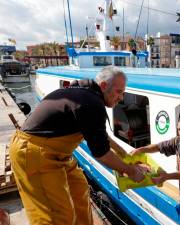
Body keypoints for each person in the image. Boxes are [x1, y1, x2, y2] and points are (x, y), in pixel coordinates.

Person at [9, 66, 149, 225]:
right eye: (118, 92)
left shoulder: (86, 95)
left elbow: (100, 135)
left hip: (57, 155)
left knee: (80, 192)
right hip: (34, 154)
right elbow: (101, 153)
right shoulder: (92, 103)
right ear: (103, 86)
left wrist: (124, 153)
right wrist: (131, 171)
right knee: (56, 216)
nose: (121, 98)